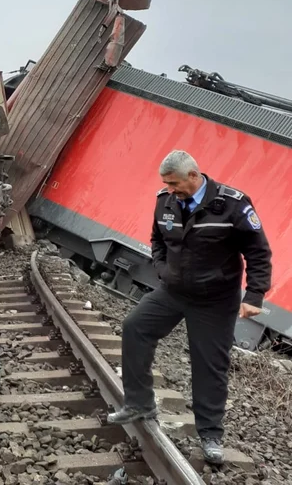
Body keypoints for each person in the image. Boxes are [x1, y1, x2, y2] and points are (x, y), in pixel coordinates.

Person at [107, 150, 273, 465]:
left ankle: (210, 435)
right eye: (166, 184)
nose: (170, 190)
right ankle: (140, 403)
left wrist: (254, 295)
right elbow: (157, 239)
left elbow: (258, 252)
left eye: (174, 183)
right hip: (174, 290)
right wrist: (162, 269)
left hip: (216, 298)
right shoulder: (165, 201)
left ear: (194, 176)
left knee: (209, 363)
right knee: (135, 328)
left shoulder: (233, 205)